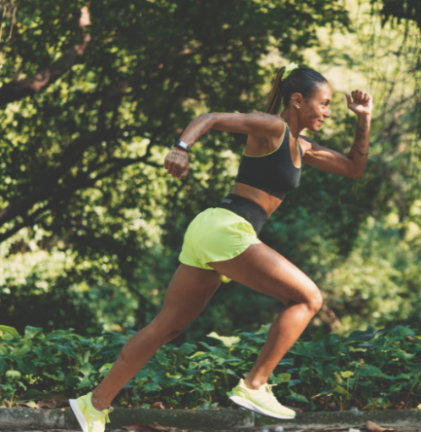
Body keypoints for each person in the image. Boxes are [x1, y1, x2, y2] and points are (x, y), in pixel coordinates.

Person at [68, 63, 373, 432]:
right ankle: (254, 385)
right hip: (227, 229)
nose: (327, 111)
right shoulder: (272, 127)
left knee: (168, 327)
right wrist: (182, 147)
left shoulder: (302, 145)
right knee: (308, 298)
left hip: (211, 229)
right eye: (323, 103)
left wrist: (363, 119)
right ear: (297, 100)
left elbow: (354, 169)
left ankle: (93, 404)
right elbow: (210, 117)